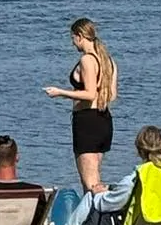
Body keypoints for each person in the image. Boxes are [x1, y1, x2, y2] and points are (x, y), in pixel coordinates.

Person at [45, 17, 118, 195]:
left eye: (73, 39)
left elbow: (90, 93)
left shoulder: (87, 60)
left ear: (79, 36)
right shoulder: (108, 61)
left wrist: (60, 92)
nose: (73, 44)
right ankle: (94, 218)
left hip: (87, 122)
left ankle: (101, 216)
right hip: (104, 121)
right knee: (94, 177)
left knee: (91, 184)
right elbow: (112, 95)